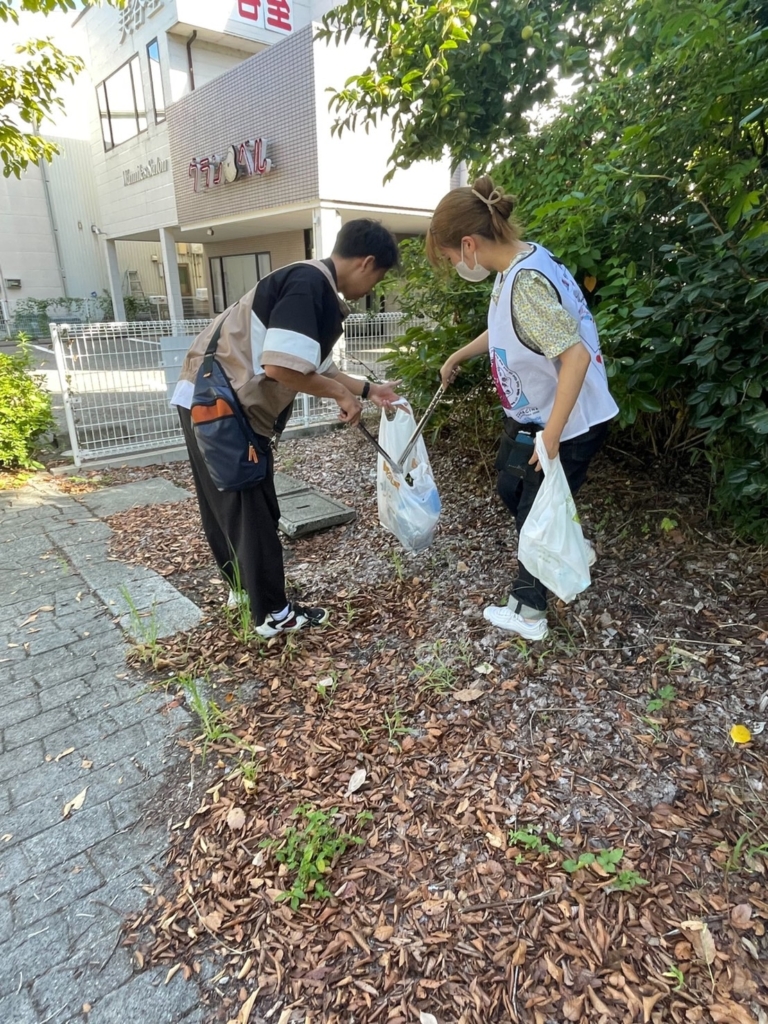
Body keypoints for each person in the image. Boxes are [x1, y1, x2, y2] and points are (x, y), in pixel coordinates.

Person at [171, 219, 401, 637]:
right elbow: (280, 367)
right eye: (379, 277)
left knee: (226, 505)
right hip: (226, 405)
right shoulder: (310, 285)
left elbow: (319, 367)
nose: (373, 287)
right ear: (367, 263)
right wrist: (340, 395)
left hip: (201, 396)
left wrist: (369, 390)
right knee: (253, 511)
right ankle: (273, 614)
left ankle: (243, 592)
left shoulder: (304, 278)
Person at [429, 176, 618, 641]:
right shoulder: (519, 264)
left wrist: (551, 437)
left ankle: (529, 611)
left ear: (468, 244)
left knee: (535, 510)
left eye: (450, 257)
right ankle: (570, 543)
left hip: (568, 421)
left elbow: (574, 356)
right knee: (511, 486)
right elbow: (507, 326)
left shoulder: (525, 282)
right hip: (539, 415)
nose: (455, 265)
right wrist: (459, 355)